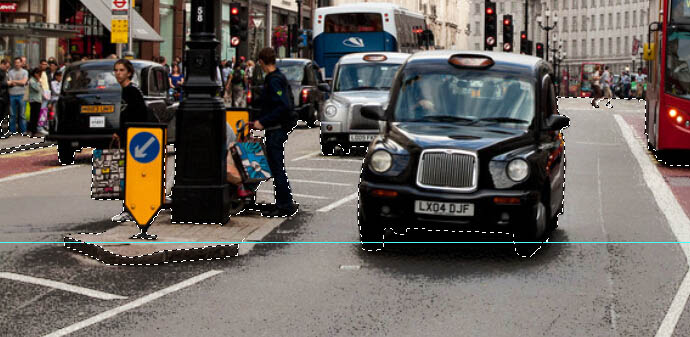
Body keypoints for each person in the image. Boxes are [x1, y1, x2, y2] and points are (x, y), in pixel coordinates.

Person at [252, 47, 298, 217]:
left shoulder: (274, 80)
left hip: (276, 128)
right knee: (275, 166)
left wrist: (262, 121)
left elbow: (282, 105)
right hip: (277, 127)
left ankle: (284, 204)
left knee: (277, 167)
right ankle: (283, 202)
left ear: (262, 62)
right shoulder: (276, 77)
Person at [111, 59, 148, 222]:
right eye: (116, 70)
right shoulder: (125, 91)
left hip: (134, 139)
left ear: (129, 73)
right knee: (129, 175)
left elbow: (139, 115)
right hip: (129, 137)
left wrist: (123, 131)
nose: (118, 73)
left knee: (131, 175)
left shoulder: (132, 91)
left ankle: (130, 209)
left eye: (121, 70)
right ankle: (130, 208)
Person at [7, 57, 28, 134]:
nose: (17, 64)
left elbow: (24, 82)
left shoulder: (25, 72)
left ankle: (23, 130)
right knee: (12, 114)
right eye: (15, 62)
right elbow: (9, 83)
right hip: (12, 94)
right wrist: (19, 82)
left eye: (18, 62)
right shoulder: (10, 72)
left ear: (21, 63)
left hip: (22, 95)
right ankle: (12, 130)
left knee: (22, 114)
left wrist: (14, 81)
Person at [27, 67, 44, 136]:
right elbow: (37, 89)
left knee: (36, 116)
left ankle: (34, 130)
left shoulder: (35, 80)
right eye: (38, 73)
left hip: (38, 100)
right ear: (35, 74)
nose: (39, 75)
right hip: (34, 100)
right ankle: (33, 131)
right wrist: (39, 81)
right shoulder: (32, 80)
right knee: (34, 116)